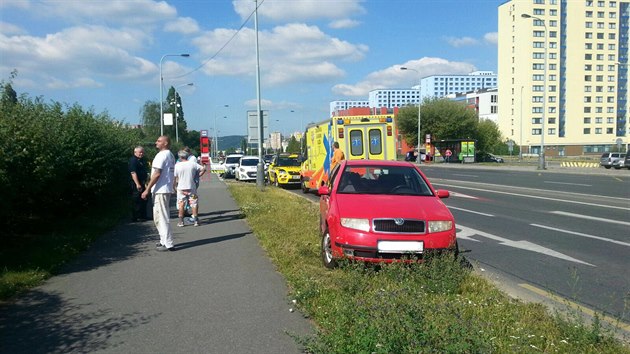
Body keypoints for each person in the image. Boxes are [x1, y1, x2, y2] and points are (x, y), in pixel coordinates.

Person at [142, 136, 176, 252]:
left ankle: (168, 243)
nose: (156, 142)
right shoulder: (170, 155)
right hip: (165, 188)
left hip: (160, 189)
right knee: (158, 216)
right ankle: (163, 240)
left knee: (161, 216)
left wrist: (147, 189)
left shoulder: (161, 155)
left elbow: (157, 174)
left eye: (159, 141)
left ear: (165, 143)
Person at [174, 150, 206, 227]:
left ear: (180, 157)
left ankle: (181, 221)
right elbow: (203, 169)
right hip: (192, 187)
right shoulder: (193, 164)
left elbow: (174, 177)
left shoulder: (177, 165)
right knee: (194, 203)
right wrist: (198, 176)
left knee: (181, 204)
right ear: (187, 156)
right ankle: (195, 221)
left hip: (181, 188)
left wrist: (174, 187)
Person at [128, 146, 148, 222]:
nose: (141, 153)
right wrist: (137, 184)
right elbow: (133, 172)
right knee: (136, 200)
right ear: (135, 152)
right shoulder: (133, 160)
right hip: (136, 183)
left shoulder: (142, 160)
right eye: (140, 152)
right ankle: (135, 217)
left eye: (142, 152)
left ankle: (143, 215)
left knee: (144, 199)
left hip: (142, 182)